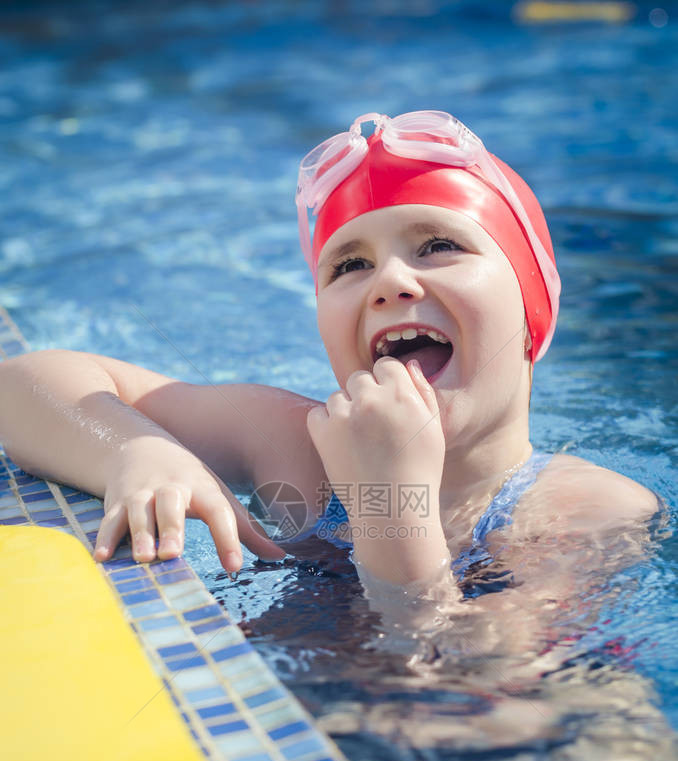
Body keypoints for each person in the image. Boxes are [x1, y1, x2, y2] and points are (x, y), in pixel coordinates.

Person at [0, 110, 658, 613]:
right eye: (351, 264)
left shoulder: (586, 511)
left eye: (438, 245)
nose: (390, 281)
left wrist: (387, 502)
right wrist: (138, 452)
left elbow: (466, 693)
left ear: (531, 315)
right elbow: (20, 389)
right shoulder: (294, 447)